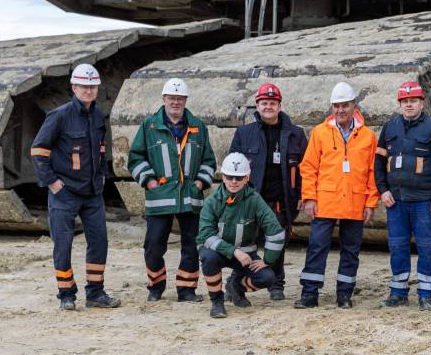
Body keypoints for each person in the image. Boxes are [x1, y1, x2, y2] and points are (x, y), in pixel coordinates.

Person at [30, 63, 118, 311]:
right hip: (65, 193)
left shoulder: (98, 116)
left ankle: (96, 293)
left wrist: (101, 177)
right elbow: (38, 150)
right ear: (74, 88)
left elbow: (101, 150)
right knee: (63, 244)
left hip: (92, 194)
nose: (88, 90)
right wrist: (52, 182)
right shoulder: (59, 115)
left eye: (92, 86)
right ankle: (66, 294)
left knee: (99, 242)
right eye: (83, 86)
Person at [127, 78, 216, 303]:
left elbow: (208, 161)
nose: (176, 102)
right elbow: (135, 158)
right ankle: (156, 286)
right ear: (164, 99)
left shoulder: (198, 127)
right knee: (153, 246)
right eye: (172, 98)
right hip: (160, 198)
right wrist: (149, 181)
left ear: (185, 100)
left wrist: (200, 183)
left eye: (180, 98)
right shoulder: (149, 126)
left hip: (190, 198)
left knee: (192, 246)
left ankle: (186, 290)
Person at [295, 82, 379, 310]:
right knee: (317, 247)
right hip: (325, 201)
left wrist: (371, 202)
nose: (340, 110)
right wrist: (309, 197)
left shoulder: (368, 136)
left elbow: (373, 172)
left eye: (345, 105)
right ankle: (309, 294)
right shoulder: (320, 133)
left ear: (354, 106)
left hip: (355, 201)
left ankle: (344, 294)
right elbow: (308, 167)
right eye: (336, 106)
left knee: (351, 251)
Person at [374, 81, 431, 311]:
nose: (409, 105)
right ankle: (398, 292)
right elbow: (378, 162)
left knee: (426, 247)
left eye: (413, 101)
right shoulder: (390, 127)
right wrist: (383, 190)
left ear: (422, 103)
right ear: (400, 104)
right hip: (395, 200)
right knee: (398, 247)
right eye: (405, 101)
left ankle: (426, 294)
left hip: (423, 200)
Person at [229, 83, 307, 302]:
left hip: (280, 200)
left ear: (279, 105)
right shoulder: (244, 133)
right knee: (245, 242)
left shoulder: (295, 134)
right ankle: (235, 283)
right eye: (264, 103)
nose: (268, 107)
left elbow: (306, 168)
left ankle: (276, 284)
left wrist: (302, 194)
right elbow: (232, 165)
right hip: (250, 200)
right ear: (257, 106)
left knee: (277, 242)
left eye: (273, 103)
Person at [197, 153, 287, 319]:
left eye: (239, 177)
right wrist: (234, 251)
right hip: (218, 252)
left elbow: (276, 231)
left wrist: (267, 260)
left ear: (247, 178)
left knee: (267, 278)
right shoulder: (212, 201)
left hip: (246, 255)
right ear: (223, 177)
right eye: (229, 177)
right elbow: (205, 235)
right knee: (208, 258)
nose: (234, 181)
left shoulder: (255, 200)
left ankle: (236, 287)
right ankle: (217, 302)